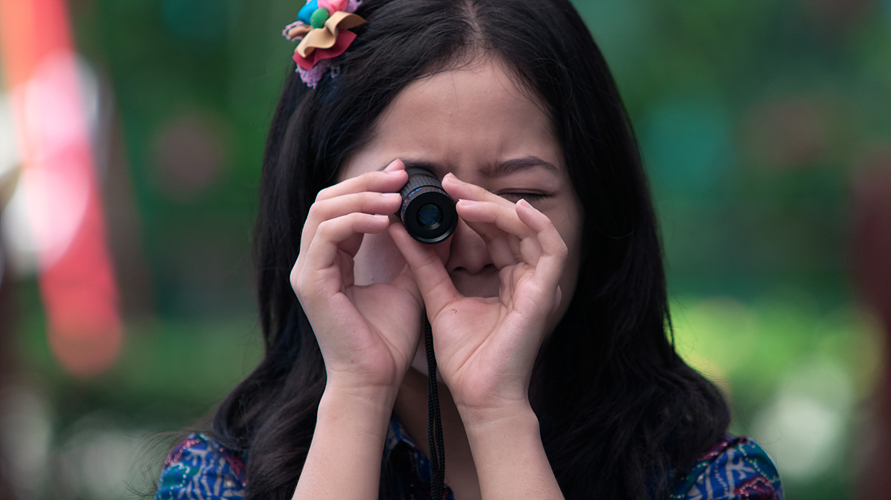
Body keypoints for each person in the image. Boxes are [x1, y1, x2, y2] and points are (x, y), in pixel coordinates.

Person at [155, 0, 783, 499]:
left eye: (519, 197)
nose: (468, 248)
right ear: (320, 207)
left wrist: (498, 414)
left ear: (599, 211)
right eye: (414, 198)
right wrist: (355, 394)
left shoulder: (705, 481)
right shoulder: (219, 482)